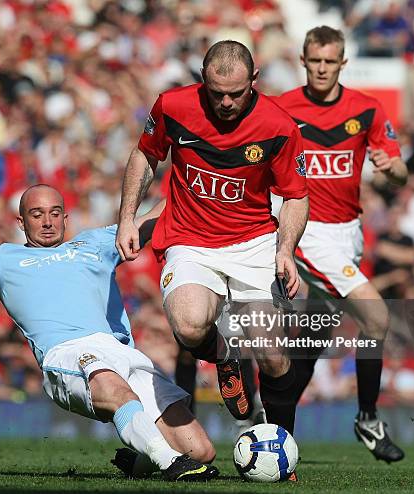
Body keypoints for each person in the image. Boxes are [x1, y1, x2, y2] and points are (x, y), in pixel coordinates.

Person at [0, 167, 218, 482]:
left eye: (55, 213)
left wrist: (199, 171)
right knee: (111, 387)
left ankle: (141, 460)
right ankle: (169, 462)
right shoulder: (3, 260)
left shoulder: (97, 243)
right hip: (67, 354)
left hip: (120, 351)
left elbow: (155, 217)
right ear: (20, 221)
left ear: (65, 217)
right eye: (37, 214)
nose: (47, 222)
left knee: (200, 449)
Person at [115, 40, 309, 435]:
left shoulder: (278, 126)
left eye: (235, 94)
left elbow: (296, 195)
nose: (225, 102)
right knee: (188, 327)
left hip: (253, 243)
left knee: (272, 355)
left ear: (254, 81)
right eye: (216, 93)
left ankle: (282, 445)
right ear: (203, 80)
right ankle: (225, 355)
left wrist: (285, 251)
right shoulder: (172, 106)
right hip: (189, 239)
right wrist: (127, 218)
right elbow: (145, 155)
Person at [270, 26, 408, 463]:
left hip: (349, 233)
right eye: (316, 61)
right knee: (376, 318)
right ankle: (367, 419)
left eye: (331, 61)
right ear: (304, 61)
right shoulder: (280, 108)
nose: (323, 68)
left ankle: (272, 428)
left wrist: (390, 168)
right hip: (307, 230)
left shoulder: (365, 110)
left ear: (343, 63)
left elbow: (401, 170)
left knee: (311, 341)